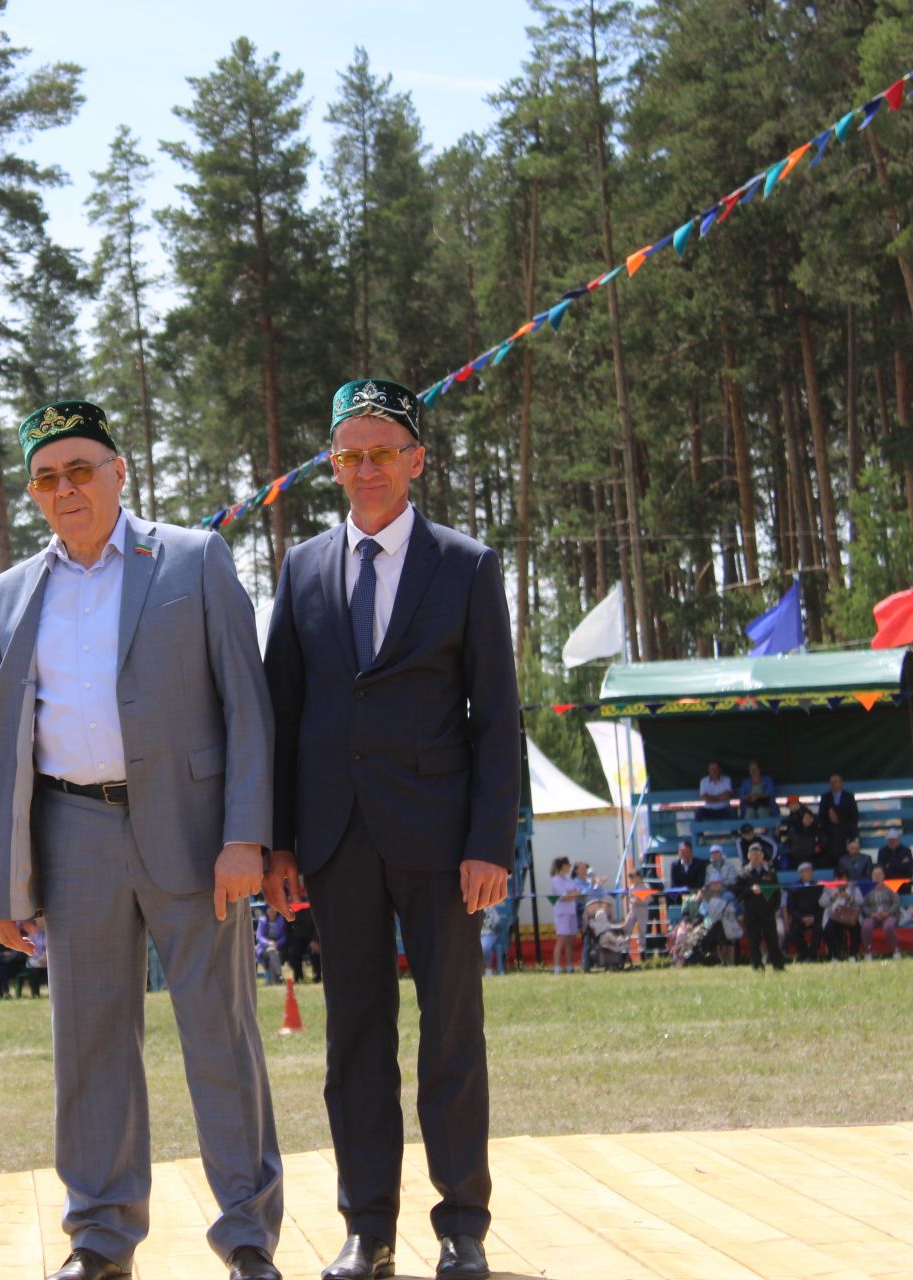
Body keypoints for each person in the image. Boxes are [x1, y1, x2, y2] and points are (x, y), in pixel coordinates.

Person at [0, 400, 284, 1280]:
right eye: (46, 477)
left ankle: (248, 1232)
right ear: (33, 494)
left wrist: (245, 836)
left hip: (194, 834)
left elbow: (246, 708)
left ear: (120, 473)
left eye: (81, 469)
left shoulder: (191, 558)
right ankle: (102, 1237)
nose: (65, 488)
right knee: (90, 1042)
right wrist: (5, 880)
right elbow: (4, 748)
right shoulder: (10, 593)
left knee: (219, 1034)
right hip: (72, 832)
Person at [262, 379, 517, 1280]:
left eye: (383, 452)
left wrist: (492, 840)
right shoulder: (299, 570)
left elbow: (497, 718)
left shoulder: (467, 565)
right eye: (349, 454)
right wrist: (280, 842)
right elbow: (282, 715)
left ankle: (463, 1228)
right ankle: (367, 1229)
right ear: (332, 465)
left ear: (416, 459)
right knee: (354, 1040)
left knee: (450, 1036)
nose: (366, 469)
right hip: (335, 842)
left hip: (446, 847)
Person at [734, 846, 786, 971]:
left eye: (758, 854)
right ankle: (757, 965)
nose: (756, 856)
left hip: (767, 911)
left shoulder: (769, 872)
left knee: (772, 938)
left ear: (763, 856)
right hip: (751, 911)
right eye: (753, 854)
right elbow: (737, 892)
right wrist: (750, 891)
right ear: (748, 856)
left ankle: (778, 964)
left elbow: (777, 892)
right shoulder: (743, 873)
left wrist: (774, 906)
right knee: (753, 939)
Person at [784, 862, 824, 962]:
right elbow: (791, 907)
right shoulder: (794, 888)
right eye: (804, 872)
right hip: (800, 917)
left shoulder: (819, 886)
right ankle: (805, 954)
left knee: (820, 929)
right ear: (800, 874)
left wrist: (814, 917)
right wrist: (801, 918)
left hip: (815, 917)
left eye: (808, 871)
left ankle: (812, 955)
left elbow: (823, 905)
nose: (806, 873)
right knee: (794, 931)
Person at [549, 857, 582, 974]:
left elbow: (577, 892)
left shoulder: (568, 879)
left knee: (570, 941)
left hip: (572, 912)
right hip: (562, 914)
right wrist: (572, 894)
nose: (569, 866)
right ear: (563, 865)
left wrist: (572, 894)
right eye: (568, 864)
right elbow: (564, 896)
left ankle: (570, 966)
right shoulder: (555, 880)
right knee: (561, 940)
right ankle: (557, 967)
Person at [821, 872, 863, 962]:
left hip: (850, 916)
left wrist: (849, 898)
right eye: (838, 879)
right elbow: (821, 903)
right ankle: (833, 955)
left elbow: (860, 902)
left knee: (856, 929)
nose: (840, 882)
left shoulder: (854, 888)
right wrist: (832, 897)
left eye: (843, 879)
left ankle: (853, 954)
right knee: (828, 930)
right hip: (835, 916)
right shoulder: (829, 888)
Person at [862, 867, 902, 959]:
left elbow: (896, 903)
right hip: (873, 915)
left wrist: (888, 913)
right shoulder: (867, 889)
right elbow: (863, 906)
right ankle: (868, 952)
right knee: (866, 926)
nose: (877, 877)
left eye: (879, 874)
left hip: (888, 914)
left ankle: (896, 950)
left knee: (889, 927)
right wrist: (871, 914)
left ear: (883, 876)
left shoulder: (890, 887)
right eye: (874, 875)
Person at [819, 774, 860, 853]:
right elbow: (822, 817)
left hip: (846, 830)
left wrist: (841, 821)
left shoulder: (849, 797)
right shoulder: (825, 798)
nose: (833, 784)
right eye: (831, 782)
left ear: (841, 783)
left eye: (835, 782)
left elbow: (854, 816)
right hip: (830, 832)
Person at [254, 906, 288, 985]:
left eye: (274, 909)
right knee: (272, 951)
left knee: (273, 956)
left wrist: (277, 943)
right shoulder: (262, 921)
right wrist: (268, 943)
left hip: (278, 947)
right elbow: (259, 936)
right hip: (263, 948)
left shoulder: (281, 920)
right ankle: (279, 974)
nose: (271, 911)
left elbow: (284, 936)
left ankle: (273, 983)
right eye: (270, 909)